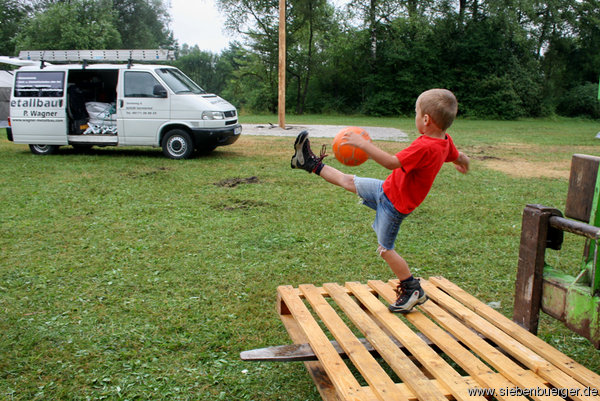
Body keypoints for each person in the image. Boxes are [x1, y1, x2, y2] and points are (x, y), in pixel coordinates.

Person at [290, 88, 470, 313]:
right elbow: (456, 154)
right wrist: (464, 161)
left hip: (394, 207)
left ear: (426, 119)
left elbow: (392, 162)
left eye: (416, 113)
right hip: (386, 189)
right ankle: (307, 162)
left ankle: (412, 288)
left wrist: (362, 143)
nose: (414, 117)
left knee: (386, 249)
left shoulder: (425, 146)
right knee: (348, 181)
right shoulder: (444, 141)